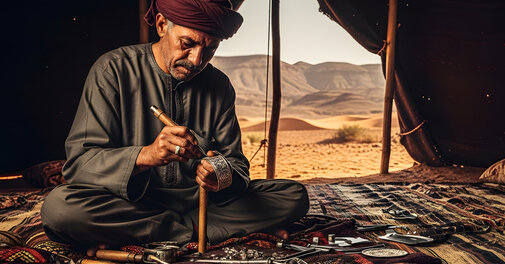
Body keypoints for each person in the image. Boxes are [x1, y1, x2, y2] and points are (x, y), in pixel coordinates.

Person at [41, 0, 309, 251]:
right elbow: (80, 164)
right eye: (187, 43)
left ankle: (169, 230)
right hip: (130, 203)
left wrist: (218, 174)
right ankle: (195, 230)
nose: (196, 60)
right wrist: (147, 156)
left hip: (200, 202)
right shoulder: (113, 70)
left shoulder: (219, 86)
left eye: (210, 49)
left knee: (293, 196)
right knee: (60, 209)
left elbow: (237, 167)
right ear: (161, 25)